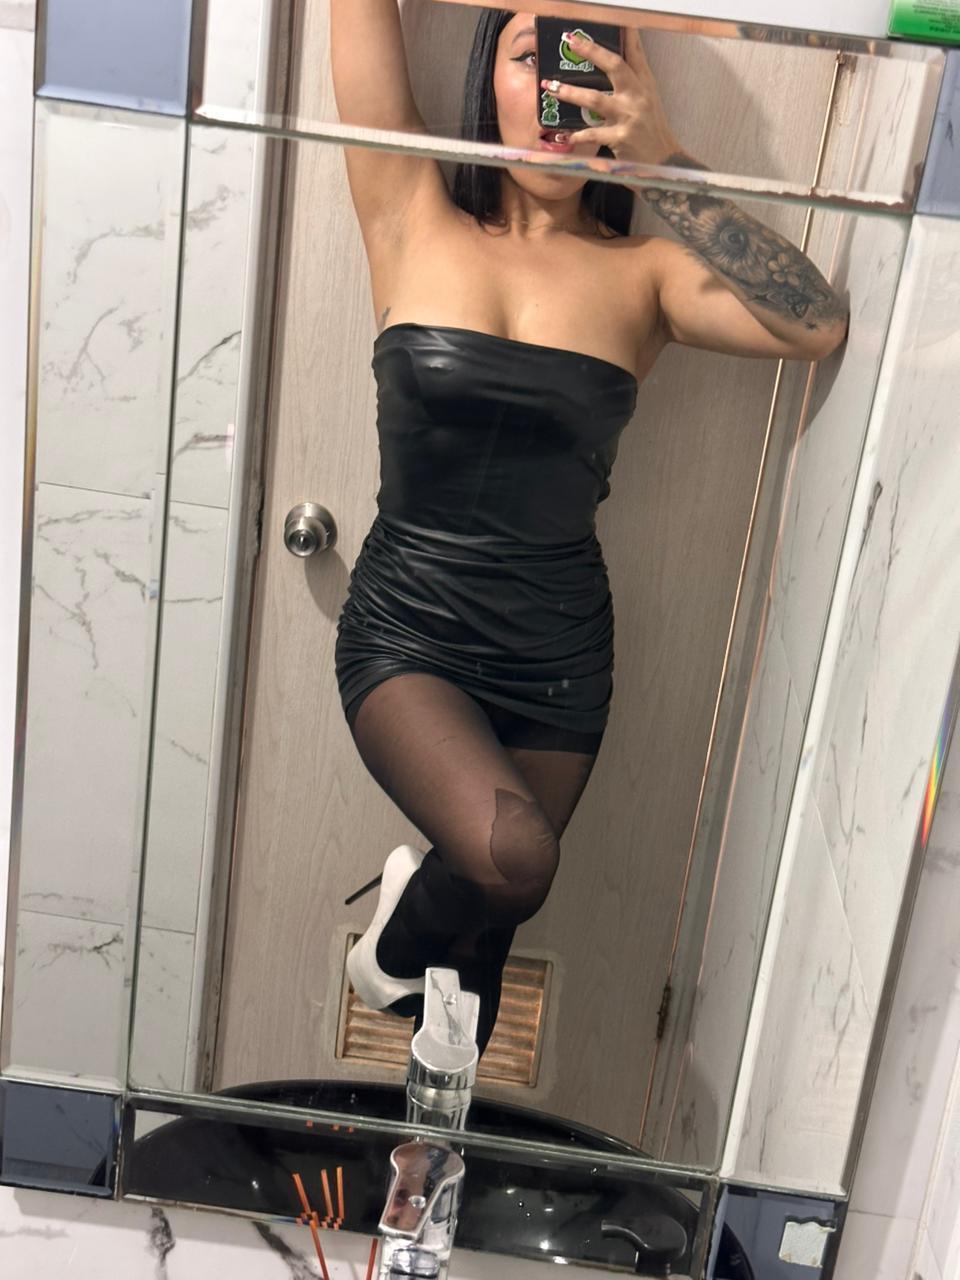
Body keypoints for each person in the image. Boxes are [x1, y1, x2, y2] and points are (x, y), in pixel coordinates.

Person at [330, 4, 848, 1056]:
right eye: (535, 57)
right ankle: (387, 952)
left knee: (478, 957)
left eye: (597, 65)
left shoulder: (644, 274)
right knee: (513, 857)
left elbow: (815, 323)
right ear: (489, 79)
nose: (563, 92)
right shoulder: (409, 208)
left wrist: (661, 159)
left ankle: (431, 1143)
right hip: (407, 635)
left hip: (557, 659)